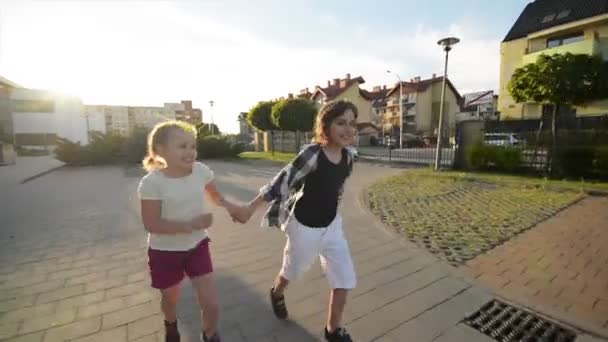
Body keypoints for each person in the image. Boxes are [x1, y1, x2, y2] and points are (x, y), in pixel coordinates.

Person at [231, 100, 358, 342]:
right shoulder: (312, 154)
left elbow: (336, 189)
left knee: (344, 278)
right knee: (292, 270)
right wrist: (250, 208)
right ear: (326, 125)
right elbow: (281, 182)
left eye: (352, 124)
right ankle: (277, 292)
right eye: (341, 122)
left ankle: (333, 330)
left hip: (332, 228)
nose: (347, 129)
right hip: (304, 228)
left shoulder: (349, 157)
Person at [137, 121, 238, 342]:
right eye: (182, 146)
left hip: (197, 246)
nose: (190, 151)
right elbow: (151, 223)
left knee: (211, 304)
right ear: (161, 150)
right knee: (170, 299)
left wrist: (233, 208)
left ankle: (210, 335)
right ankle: (170, 324)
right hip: (164, 251)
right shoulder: (151, 183)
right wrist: (189, 225)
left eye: (193, 146)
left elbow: (215, 195)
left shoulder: (201, 171)